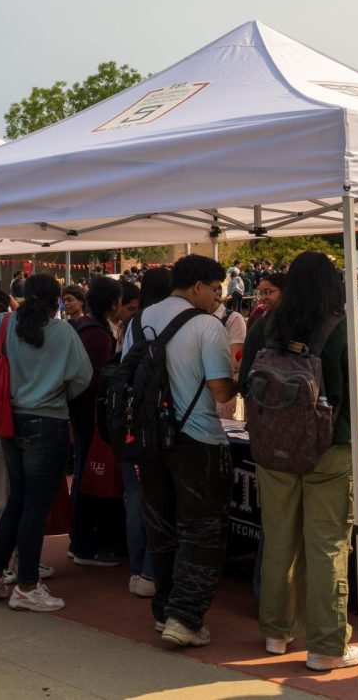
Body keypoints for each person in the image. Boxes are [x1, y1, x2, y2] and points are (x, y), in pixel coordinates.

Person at [240, 252, 358, 671]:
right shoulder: (342, 328)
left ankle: (276, 631)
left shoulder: (264, 324)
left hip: (271, 448)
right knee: (327, 547)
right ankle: (326, 645)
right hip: (329, 447)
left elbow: (242, 383)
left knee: (278, 540)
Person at [120, 254, 238, 648]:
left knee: (162, 528)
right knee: (202, 531)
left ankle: (165, 611)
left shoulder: (137, 321)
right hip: (197, 440)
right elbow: (221, 390)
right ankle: (185, 619)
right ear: (198, 286)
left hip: (150, 442)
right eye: (216, 290)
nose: (217, 299)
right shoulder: (207, 325)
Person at [0, 274, 92, 612]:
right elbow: (83, 376)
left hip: (9, 420)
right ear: (56, 301)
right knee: (34, 506)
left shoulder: (3, 323)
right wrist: (56, 391)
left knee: (16, 500)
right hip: (47, 422)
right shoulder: (62, 332)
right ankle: (27, 585)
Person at [66, 276, 125, 569]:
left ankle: (80, 541)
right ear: (112, 302)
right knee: (88, 479)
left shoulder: (86, 328)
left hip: (83, 413)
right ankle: (83, 544)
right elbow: (95, 378)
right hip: (91, 416)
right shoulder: (96, 333)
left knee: (83, 476)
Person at [121, 268, 173, 599]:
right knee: (160, 497)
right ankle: (152, 571)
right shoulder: (175, 319)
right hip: (163, 417)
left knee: (135, 497)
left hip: (131, 417)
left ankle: (137, 569)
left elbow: (125, 364)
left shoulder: (135, 321)